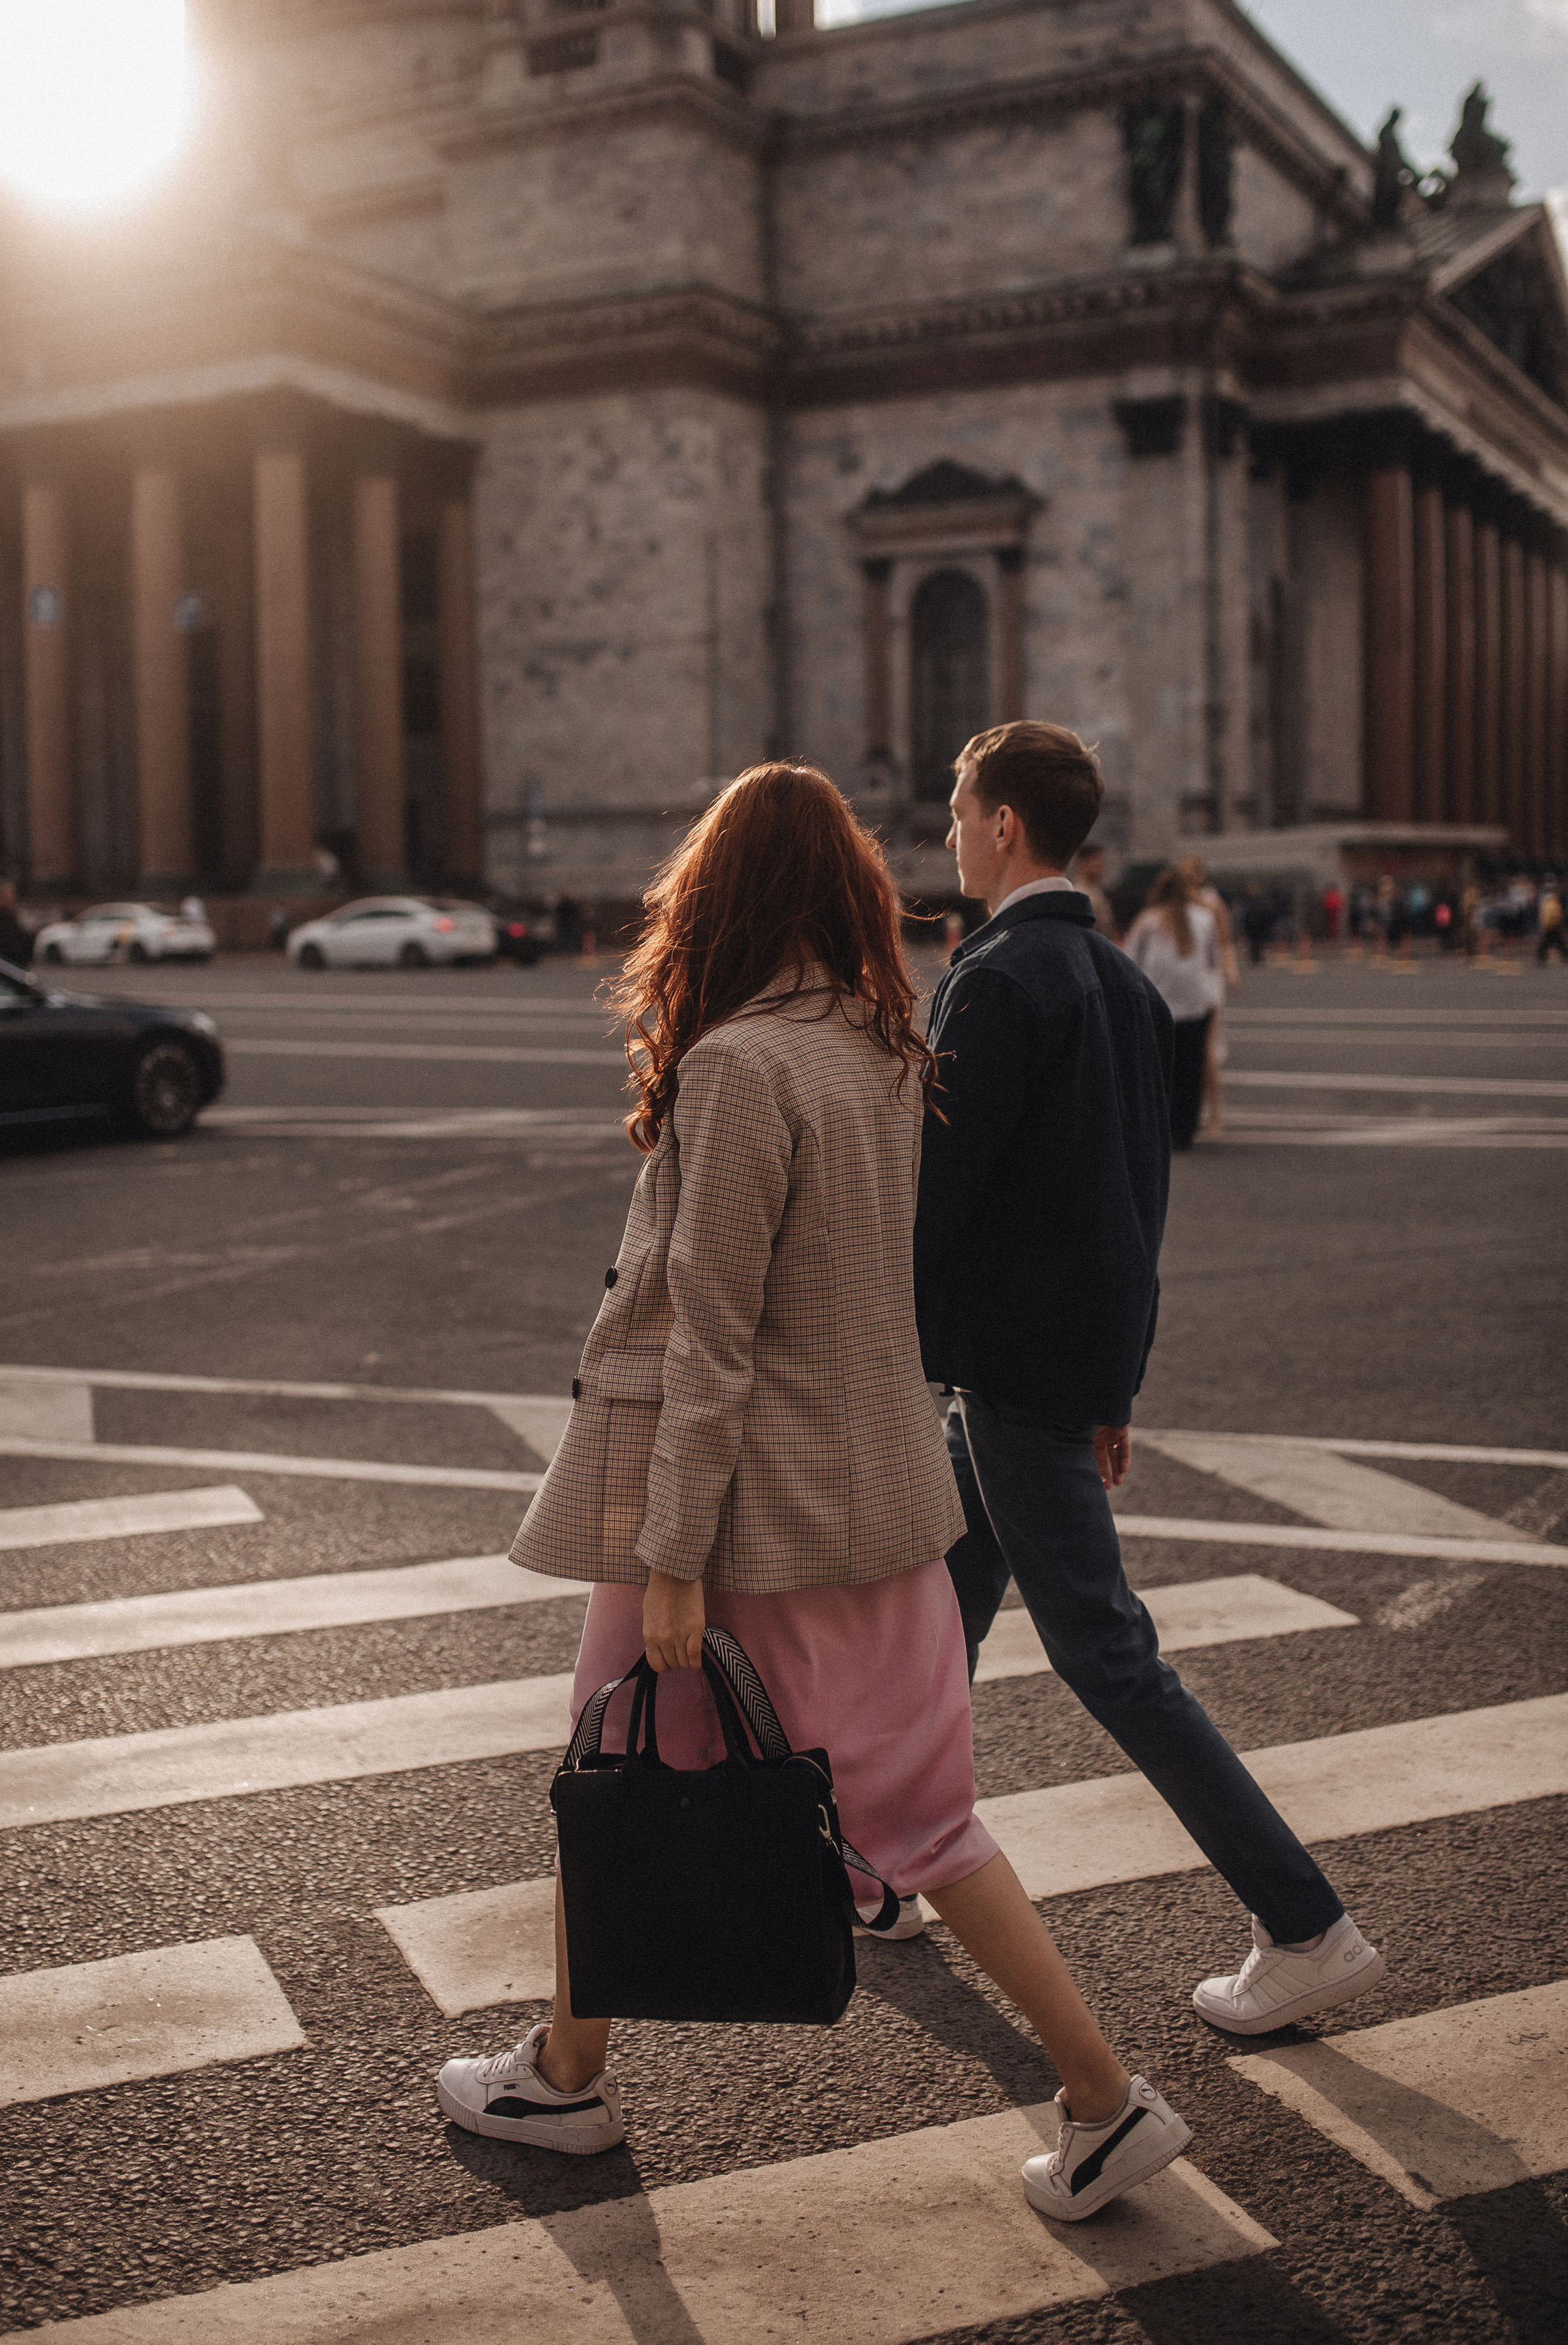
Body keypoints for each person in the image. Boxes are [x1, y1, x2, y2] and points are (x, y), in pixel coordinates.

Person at [438, 763, 1192, 2222]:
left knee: (603, 1784)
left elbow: (713, 1334)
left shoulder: (735, 1063)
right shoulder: (876, 1040)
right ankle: (1104, 2099)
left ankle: (567, 2080)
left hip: (732, 1527)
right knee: (928, 1827)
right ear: (843, 889)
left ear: (710, 894)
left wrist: (668, 1563)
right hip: (883, 1500)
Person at [915, 720, 1386, 2043]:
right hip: (1057, 1368)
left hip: (1004, 1374)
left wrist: (882, 1352)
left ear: (1003, 825)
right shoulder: (1115, 979)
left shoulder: (995, 977)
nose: (948, 830)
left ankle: (1304, 1922)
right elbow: (1134, 1203)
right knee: (945, 1600)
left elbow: (930, 1205)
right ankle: (892, 1842)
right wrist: (1115, 1380)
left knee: (1107, 1656)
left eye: (957, 809)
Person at [1125, 866, 1222, 1152]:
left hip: (1159, 1006)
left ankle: (1161, 1128)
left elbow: (1129, 959)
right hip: (1196, 1005)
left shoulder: (1148, 921)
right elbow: (1212, 960)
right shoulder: (1204, 919)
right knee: (1190, 1070)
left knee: (1159, 1071)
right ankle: (1186, 1129)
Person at [1176, 853, 1238, 1136]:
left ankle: (1215, 1114)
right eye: (1183, 871)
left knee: (1208, 1050)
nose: (1187, 875)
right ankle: (1189, 1111)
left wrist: (1232, 969)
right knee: (1188, 1050)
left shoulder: (1211, 902)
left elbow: (1225, 941)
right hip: (1184, 978)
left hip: (1209, 978)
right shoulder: (1174, 904)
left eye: (1192, 871)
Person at [1073, 843, 1118, 938]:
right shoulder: (1080, 895)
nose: (1101, 865)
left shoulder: (1097, 893)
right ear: (1082, 864)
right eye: (1096, 860)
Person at [1538, 878, 1566, 966]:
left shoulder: (1551, 900)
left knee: (1554, 943)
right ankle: (1541, 957)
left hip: (1552, 925)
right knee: (1556, 943)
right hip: (1552, 925)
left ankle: (1541, 957)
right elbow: (1552, 914)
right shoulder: (1551, 900)